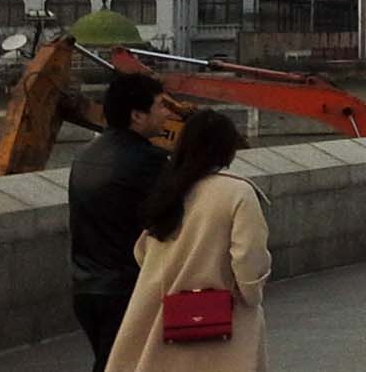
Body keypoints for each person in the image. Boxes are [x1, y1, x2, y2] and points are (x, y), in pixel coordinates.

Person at [105, 109, 271, 372]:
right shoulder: (238, 192)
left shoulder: (169, 190)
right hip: (223, 320)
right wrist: (252, 294)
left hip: (167, 314)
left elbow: (142, 252)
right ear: (227, 149)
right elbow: (248, 259)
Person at [69, 73, 173, 372]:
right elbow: (169, 218)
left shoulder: (84, 155)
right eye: (160, 106)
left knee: (109, 362)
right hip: (126, 288)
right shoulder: (149, 161)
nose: (167, 112)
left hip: (86, 286)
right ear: (137, 116)